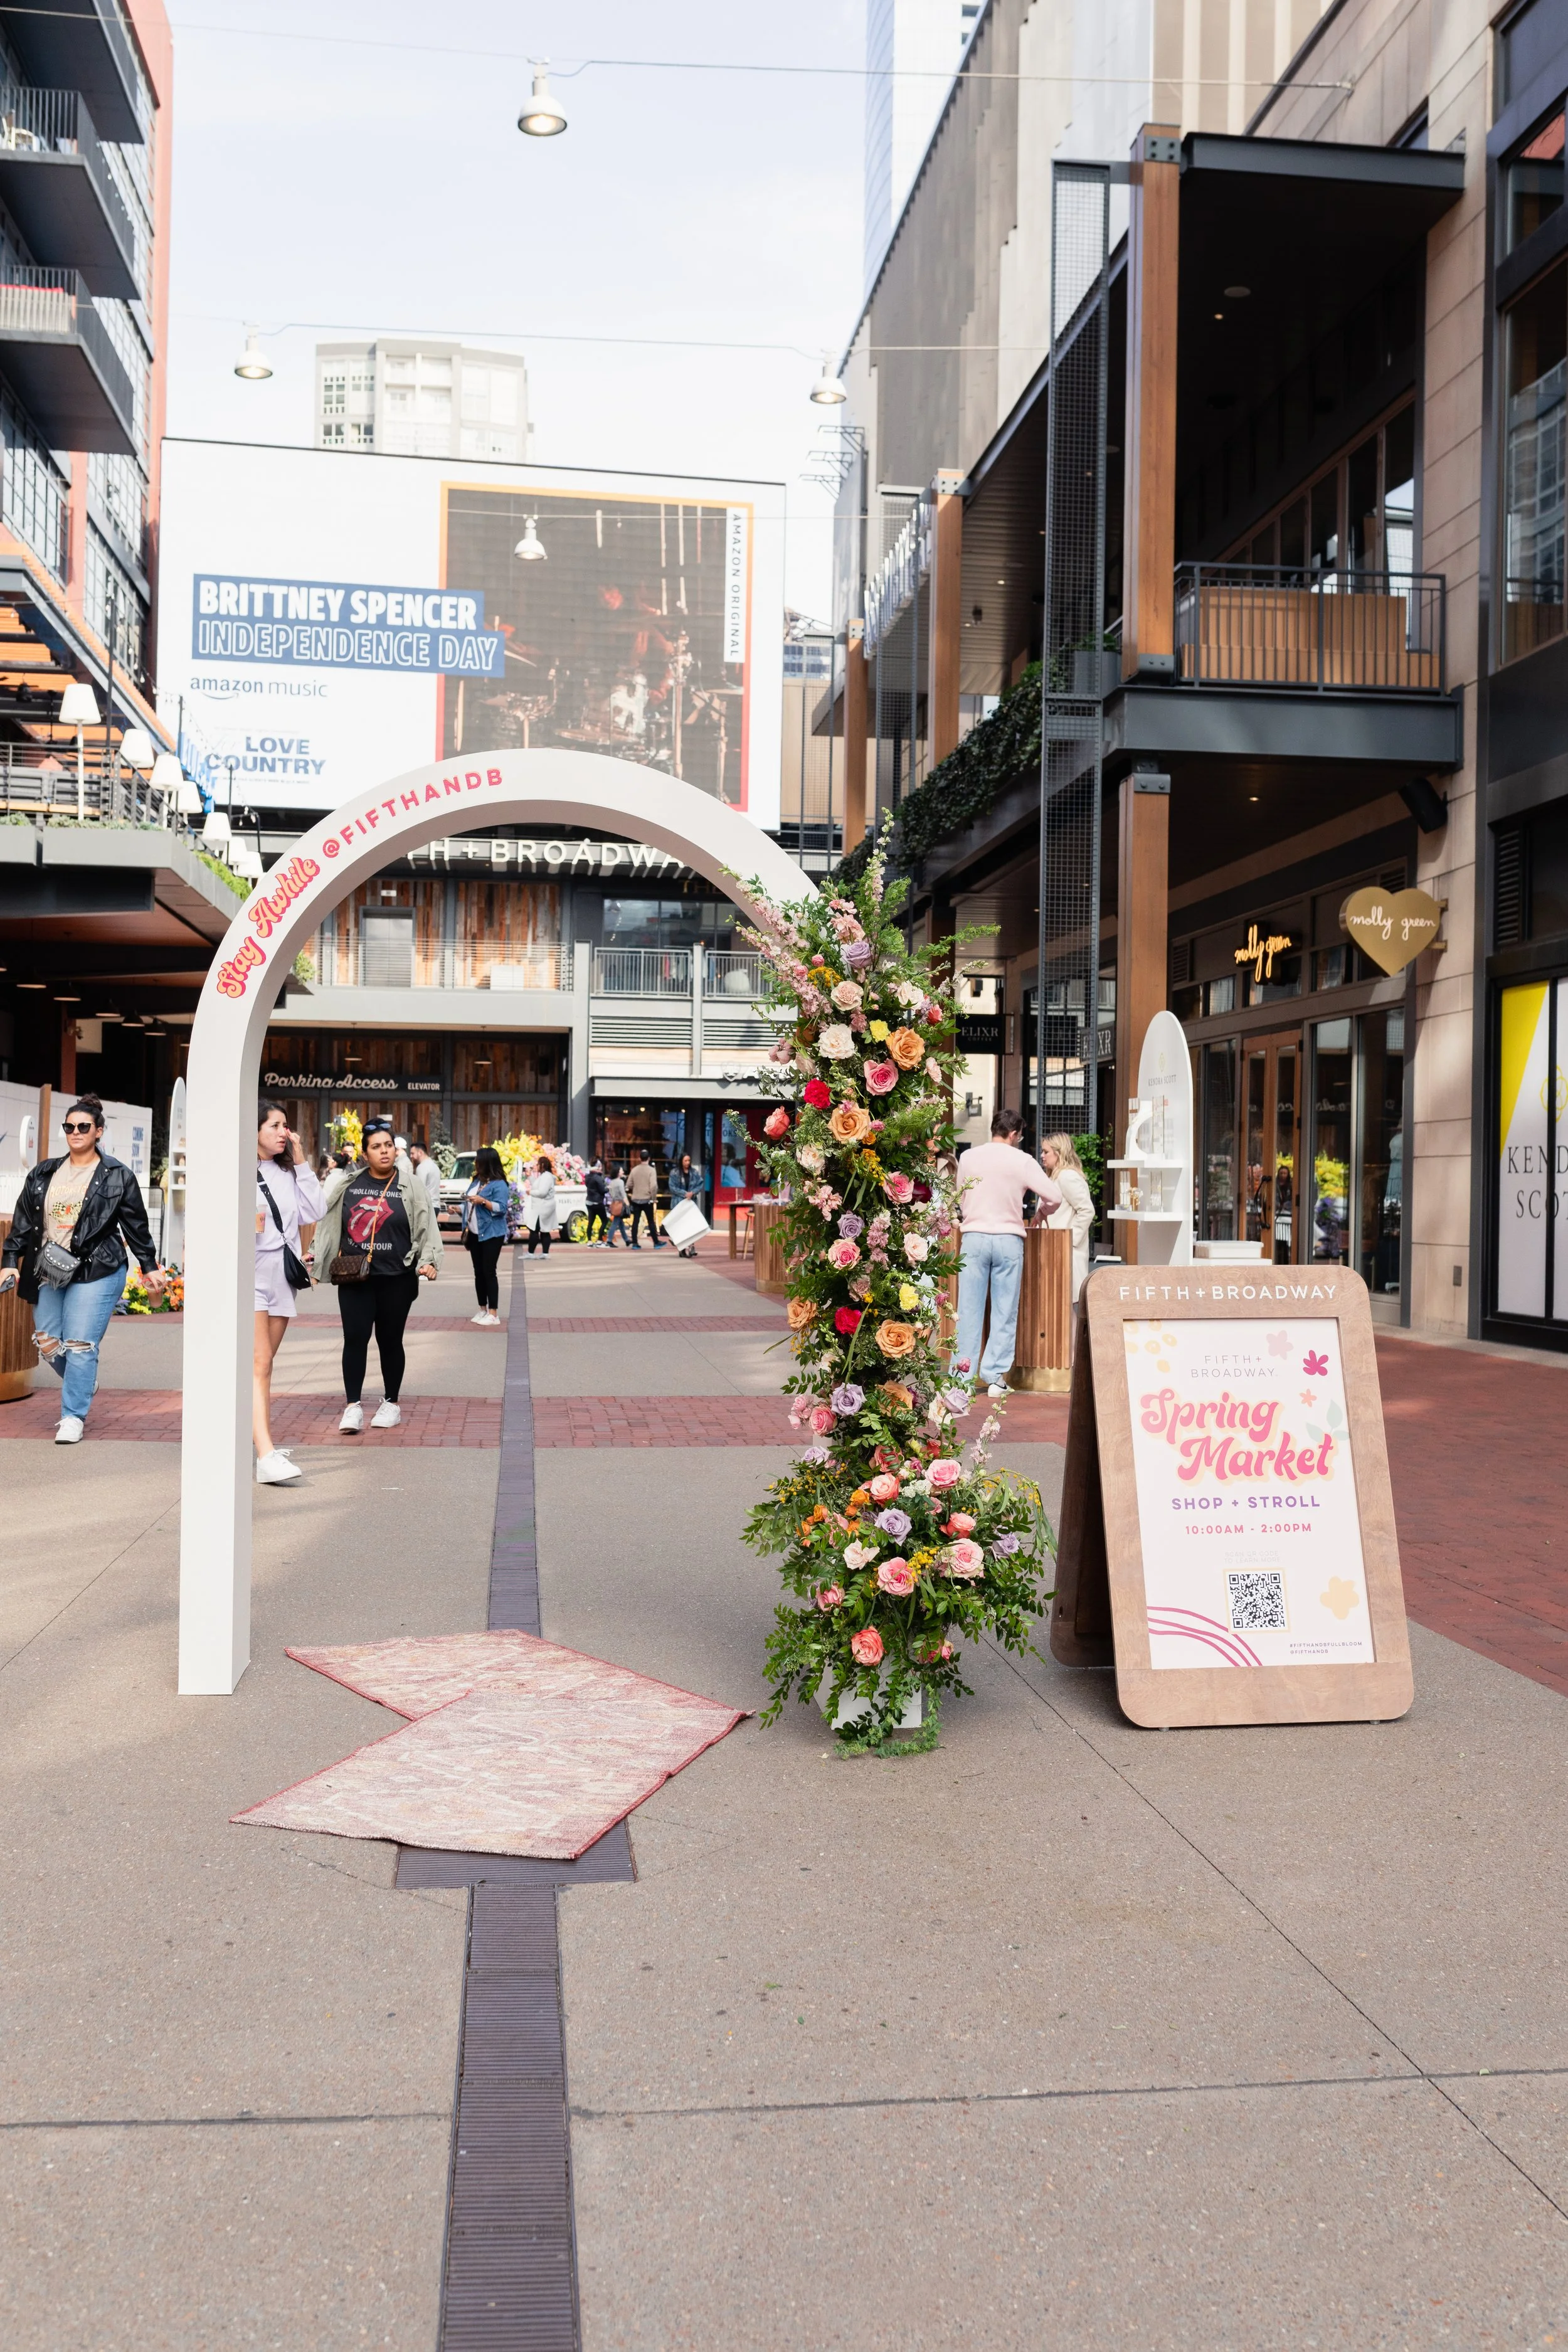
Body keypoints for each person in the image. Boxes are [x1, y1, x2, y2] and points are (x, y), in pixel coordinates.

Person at [0, 1094, 165, 1444]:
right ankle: (84, 1379)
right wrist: (10, 1262)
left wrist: (149, 1266)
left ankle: (72, 1416)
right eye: (69, 1127)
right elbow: (24, 1222)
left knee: (79, 1344)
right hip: (50, 1267)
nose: (75, 1132)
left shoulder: (117, 1176)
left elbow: (136, 1227)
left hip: (98, 1268)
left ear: (98, 1131)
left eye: (83, 1127)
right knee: (48, 1342)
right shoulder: (44, 1172)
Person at [313, 1117, 442, 1433]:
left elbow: (427, 1226)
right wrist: (317, 1258)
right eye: (376, 1147)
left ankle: (391, 1403)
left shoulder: (411, 1186)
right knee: (355, 1339)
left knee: (390, 1340)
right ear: (365, 1153)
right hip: (355, 1277)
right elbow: (329, 1225)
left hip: (397, 1277)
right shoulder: (348, 1185)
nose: (384, 1151)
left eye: (388, 1145)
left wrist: (430, 1261)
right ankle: (353, 1406)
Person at [953, 1107, 1062, 1399]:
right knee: (1004, 1310)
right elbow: (1055, 1196)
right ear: (1014, 1134)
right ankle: (994, 1378)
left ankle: (961, 1379)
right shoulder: (1023, 1160)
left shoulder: (968, 1157)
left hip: (974, 1237)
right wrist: (1042, 1211)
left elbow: (960, 1196)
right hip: (1008, 1240)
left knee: (968, 1310)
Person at [252, 1101, 328, 1485]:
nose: (284, 1132)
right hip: (249, 1274)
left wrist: (300, 1163)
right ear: (254, 1130)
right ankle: (265, 1454)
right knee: (259, 1363)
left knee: (263, 1366)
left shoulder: (289, 1172)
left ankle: (257, 1441)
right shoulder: (238, 1170)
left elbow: (315, 1210)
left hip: (282, 1275)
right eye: (275, 1125)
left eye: (286, 1125)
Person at [1040, 1133, 1096, 1303]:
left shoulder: (1067, 1176)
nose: (1042, 1156)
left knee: (1064, 1308)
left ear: (1059, 1153)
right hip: (1057, 1251)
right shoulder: (1056, 1176)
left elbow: (1087, 1210)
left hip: (1065, 1252)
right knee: (1060, 1307)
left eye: (1046, 1152)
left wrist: (1070, 1240)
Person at [462, 1145, 509, 1325]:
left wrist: (484, 1201)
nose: (475, 1163)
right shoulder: (477, 1181)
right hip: (475, 1232)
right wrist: (457, 1209)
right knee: (478, 1272)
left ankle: (493, 1313)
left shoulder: (499, 1184)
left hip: (492, 1233)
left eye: (478, 1160)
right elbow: (469, 1204)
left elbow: (502, 1208)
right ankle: (482, 1309)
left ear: (486, 1163)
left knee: (489, 1271)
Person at [667, 1150, 706, 1258]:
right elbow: (672, 1187)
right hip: (679, 1202)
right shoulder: (675, 1173)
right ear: (681, 1161)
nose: (688, 1163)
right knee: (681, 1226)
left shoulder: (694, 1172)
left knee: (690, 1225)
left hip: (691, 1202)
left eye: (689, 1160)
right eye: (685, 1161)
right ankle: (682, 1248)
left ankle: (691, 1246)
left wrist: (693, 1193)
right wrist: (685, 1194)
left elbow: (700, 1183)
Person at [626, 1147, 666, 1249]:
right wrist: (653, 1198)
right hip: (647, 1199)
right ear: (649, 1158)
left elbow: (629, 1184)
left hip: (636, 1199)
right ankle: (656, 1242)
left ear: (640, 1158)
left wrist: (636, 1188)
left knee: (635, 1221)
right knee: (651, 1221)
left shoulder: (634, 1170)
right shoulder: (651, 1170)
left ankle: (635, 1243)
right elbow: (654, 1186)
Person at [522, 1155, 558, 1255]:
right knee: (544, 1230)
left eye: (538, 1164)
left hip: (542, 1208)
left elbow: (542, 1192)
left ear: (542, 1165)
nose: (536, 1166)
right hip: (543, 1208)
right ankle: (545, 1253)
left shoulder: (546, 1177)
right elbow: (537, 1185)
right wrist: (530, 1176)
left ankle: (531, 1253)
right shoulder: (545, 1176)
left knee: (534, 1229)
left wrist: (530, 1192)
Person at [410, 1140, 445, 1216]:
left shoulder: (422, 1167)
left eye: (413, 1153)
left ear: (420, 1153)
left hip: (426, 1207)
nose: (411, 1156)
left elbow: (419, 1191)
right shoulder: (434, 1166)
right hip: (436, 1206)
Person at [584, 1157, 609, 1246]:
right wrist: (608, 1189)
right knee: (605, 1221)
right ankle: (599, 1240)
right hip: (597, 1202)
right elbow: (603, 1190)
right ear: (598, 1166)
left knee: (591, 1222)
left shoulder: (587, 1176)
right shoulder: (598, 1177)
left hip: (589, 1201)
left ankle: (590, 1241)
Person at [604, 1164, 630, 1246]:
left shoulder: (612, 1182)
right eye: (621, 1171)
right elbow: (623, 1194)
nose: (623, 1172)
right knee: (615, 1222)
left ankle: (627, 1240)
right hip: (620, 1204)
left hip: (614, 1203)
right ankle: (609, 1240)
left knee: (620, 1223)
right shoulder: (620, 1182)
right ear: (618, 1173)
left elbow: (611, 1193)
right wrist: (627, 1203)